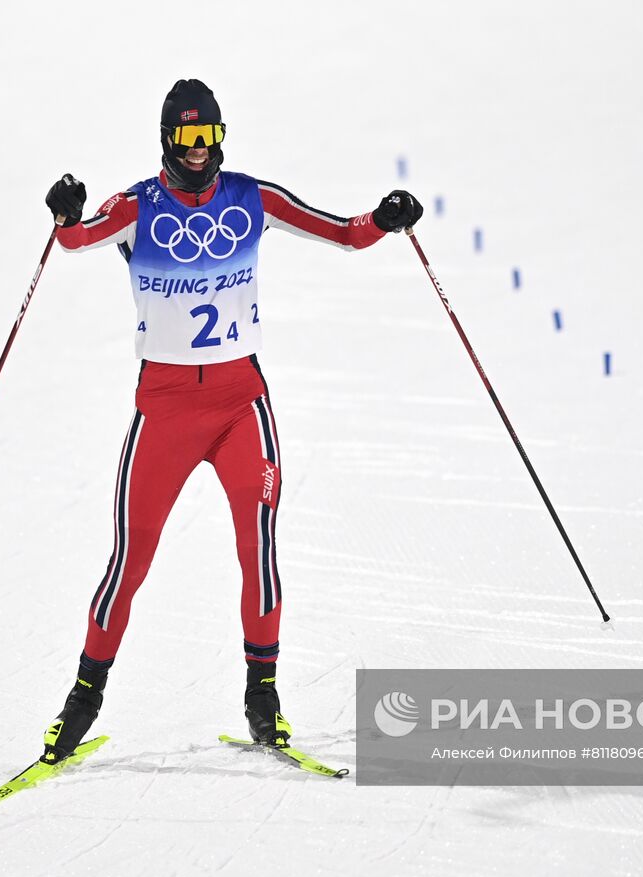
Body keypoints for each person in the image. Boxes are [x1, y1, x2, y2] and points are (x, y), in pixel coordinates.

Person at [37, 78, 422, 764]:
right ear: (166, 139)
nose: (199, 150)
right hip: (165, 410)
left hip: (241, 404)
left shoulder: (251, 198)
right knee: (130, 559)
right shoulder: (137, 207)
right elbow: (77, 239)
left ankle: (262, 694)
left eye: (209, 136)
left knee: (260, 546)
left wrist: (383, 218)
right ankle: (80, 704)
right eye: (187, 137)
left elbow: (340, 232)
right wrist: (65, 213)